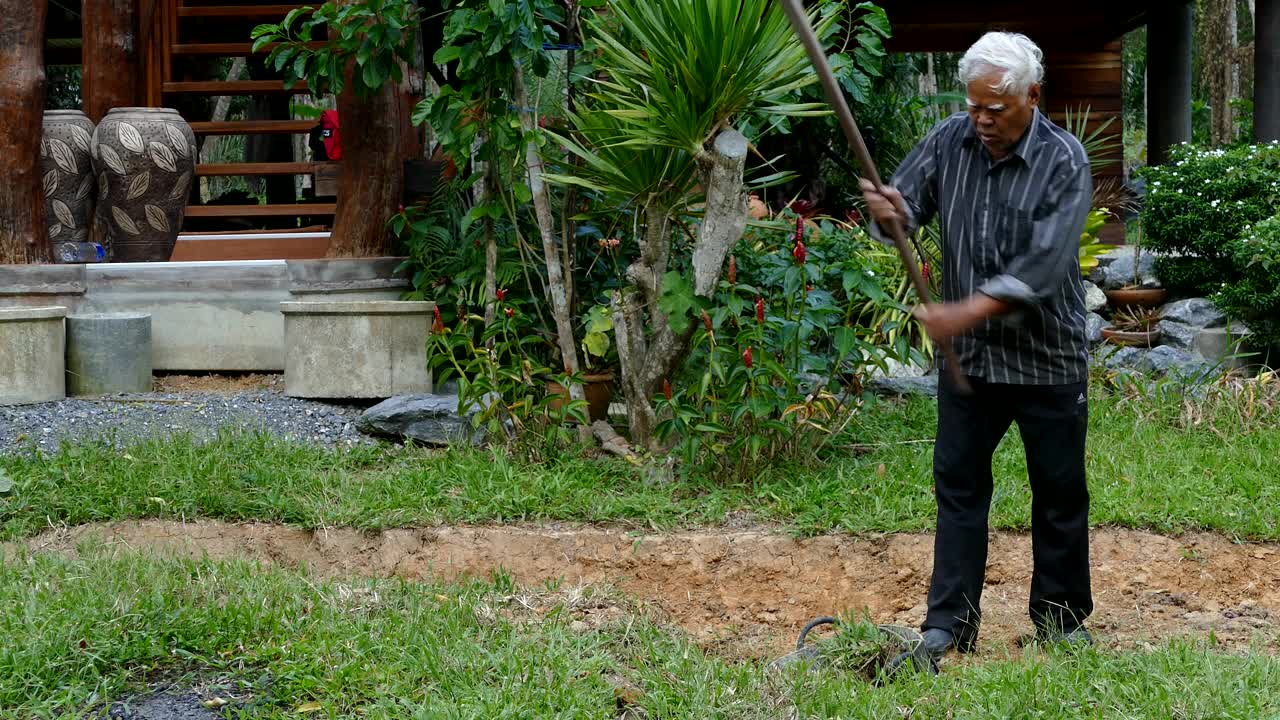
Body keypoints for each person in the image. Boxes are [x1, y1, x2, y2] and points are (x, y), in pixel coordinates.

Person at [860, 31, 1095, 664]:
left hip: (1048, 355)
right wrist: (891, 213)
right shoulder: (949, 138)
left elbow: (1042, 268)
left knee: (1059, 491)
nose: (983, 120)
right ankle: (949, 624)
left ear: (1032, 96)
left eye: (996, 107)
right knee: (959, 487)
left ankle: (1062, 618)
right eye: (974, 106)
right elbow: (907, 209)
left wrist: (962, 311)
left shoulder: (1065, 159)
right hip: (973, 363)